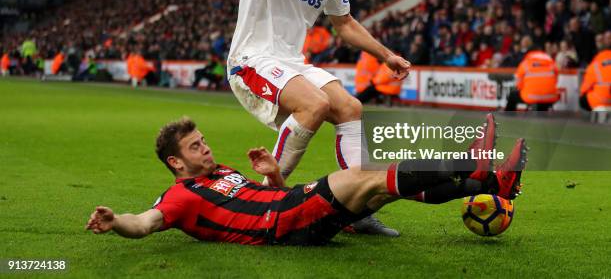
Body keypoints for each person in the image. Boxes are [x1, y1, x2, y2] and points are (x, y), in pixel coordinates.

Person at [219, 0, 411, 235]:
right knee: (315, 104)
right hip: (250, 58)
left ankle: (356, 209)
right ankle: (262, 201)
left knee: (350, 108)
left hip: (291, 62)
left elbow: (345, 24)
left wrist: (386, 55)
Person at [86, 117, 526, 246]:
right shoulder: (181, 197)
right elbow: (144, 223)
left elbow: (269, 197)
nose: (205, 148)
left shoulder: (223, 175)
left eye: (202, 141)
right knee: (367, 175)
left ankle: (490, 186)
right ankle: (470, 162)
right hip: (284, 225)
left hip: (290, 206)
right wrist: (116, 221)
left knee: (379, 189)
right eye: (195, 147)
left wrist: (273, 176)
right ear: (175, 164)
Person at [505, 44, 559, 111]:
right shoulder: (550, 61)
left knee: (512, 95)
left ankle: (509, 117)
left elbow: (519, 84)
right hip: (550, 96)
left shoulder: (525, 63)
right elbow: (556, 78)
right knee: (543, 101)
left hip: (530, 96)